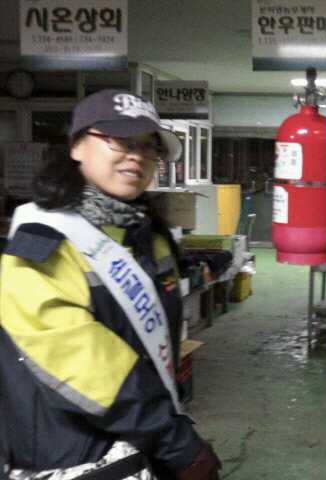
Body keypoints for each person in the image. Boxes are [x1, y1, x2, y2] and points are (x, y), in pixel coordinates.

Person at [0, 90, 221, 480]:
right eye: (120, 141)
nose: (137, 156)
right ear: (77, 147)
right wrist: (174, 442)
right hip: (74, 455)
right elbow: (82, 363)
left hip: (145, 443)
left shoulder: (149, 236)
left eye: (149, 147)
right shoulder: (42, 243)